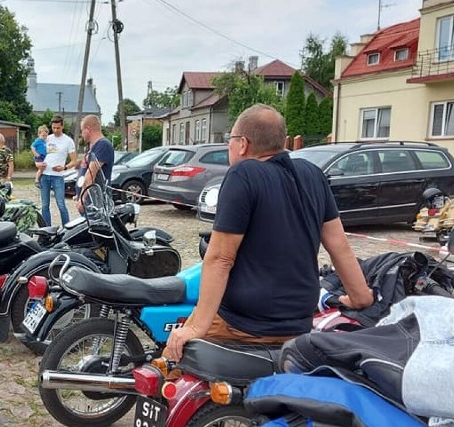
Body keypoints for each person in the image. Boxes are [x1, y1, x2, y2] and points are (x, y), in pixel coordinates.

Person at [163, 105, 374, 362]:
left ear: (242, 144)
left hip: (243, 323)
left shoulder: (244, 173)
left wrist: (196, 328)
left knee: (170, 364)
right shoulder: (313, 175)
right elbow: (339, 244)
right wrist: (360, 296)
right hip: (298, 323)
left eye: (230, 140)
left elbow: (220, 258)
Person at [40, 114, 77, 226]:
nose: (55, 130)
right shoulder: (47, 138)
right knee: (45, 205)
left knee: (61, 204)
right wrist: (38, 164)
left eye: (58, 128)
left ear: (62, 126)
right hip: (45, 175)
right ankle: (47, 230)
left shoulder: (68, 141)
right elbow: (38, 154)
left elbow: (74, 161)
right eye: (53, 128)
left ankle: (67, 228)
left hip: (58, 176)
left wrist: (64, 167)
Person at [75, 115, 114, 214]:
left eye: (82, 130)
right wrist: (79, 194)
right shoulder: (94, 147)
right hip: (89, 201)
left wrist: (82, 198)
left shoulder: (103, 145)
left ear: (88, 129)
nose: (82, 134)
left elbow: (91, 174)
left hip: (96, 204)